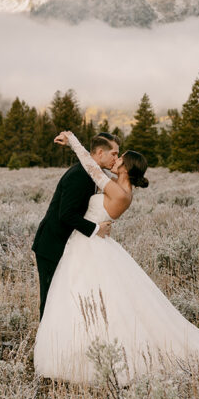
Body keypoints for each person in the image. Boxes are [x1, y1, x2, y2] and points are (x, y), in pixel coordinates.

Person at [34, 131, 199, 383]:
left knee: (79, 298)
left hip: (88, 246)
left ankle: (73, 353)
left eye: (119, 157)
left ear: (125, 167)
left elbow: (90, 164)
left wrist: (73, 141)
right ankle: (69, 346)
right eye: (114, 154)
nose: (115, 160)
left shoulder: (116, 188)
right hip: (88, 243)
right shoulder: (122, 189)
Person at [32, 133, 119, 319]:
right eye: (114, 154)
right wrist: (97, 229)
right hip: (52, 245)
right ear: (101, 153)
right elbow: (66, 214)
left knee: (65, 297)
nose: (116, 159)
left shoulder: (93, 173)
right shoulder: (80, 175)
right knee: (50, 300)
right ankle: (47, 344)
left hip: (72, 247)